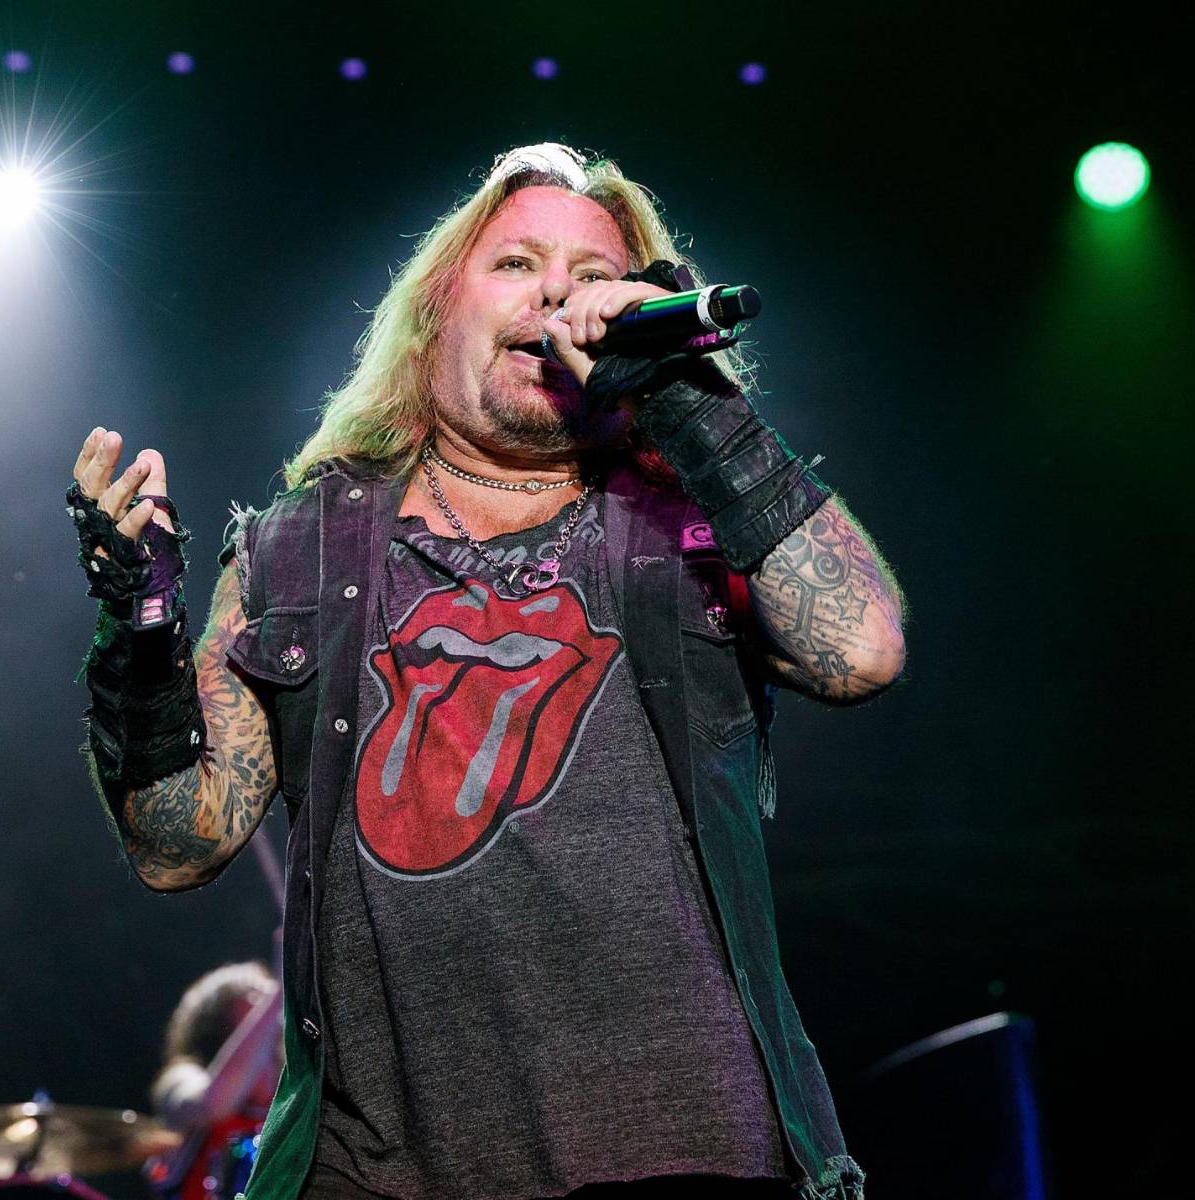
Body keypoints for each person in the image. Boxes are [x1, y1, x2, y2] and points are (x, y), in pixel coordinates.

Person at [66, 143, 905, 1200]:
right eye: (516, 263)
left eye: (593, 276)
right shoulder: (298, 549)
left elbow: (860, 651)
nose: (556, 292)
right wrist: (139, 625)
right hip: (373, 1173)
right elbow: (177, 846)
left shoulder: (690, 523)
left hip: (683, 1151)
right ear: (435, 314)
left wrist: (690, 403)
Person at [146, 960, 285, 1200]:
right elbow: (213, 1104)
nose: (274, 1011)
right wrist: (278, 995)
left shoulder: (294, 1094)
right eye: (256, 997)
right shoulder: (180, 1078)